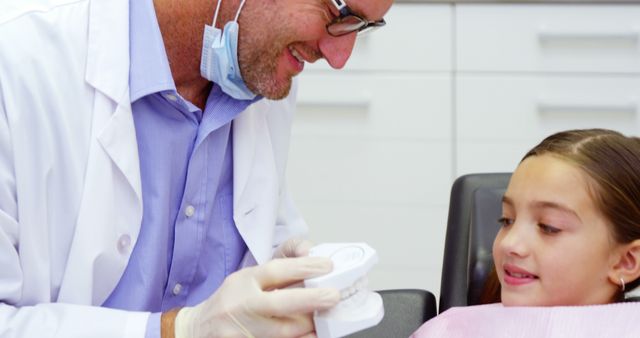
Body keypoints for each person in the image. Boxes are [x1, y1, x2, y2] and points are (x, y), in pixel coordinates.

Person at [0, 0, 393, 337]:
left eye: (365, 26)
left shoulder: (257, 69)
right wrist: (179, 330)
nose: (340, 57)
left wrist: (283, 285)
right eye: (339, 14)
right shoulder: (17, 59)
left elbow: (250, 246)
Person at [412, 128, 640, 337]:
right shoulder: (454, 331)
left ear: (626, 261)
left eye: (549, 227)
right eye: (507, 220)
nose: (510, 244)